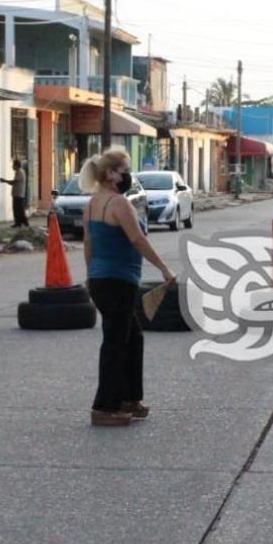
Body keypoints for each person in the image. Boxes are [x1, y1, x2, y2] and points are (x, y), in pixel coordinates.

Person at [81, 148, 176, 427]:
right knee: (115, 343)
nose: (128, 176)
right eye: (124, 170)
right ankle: (105, 407)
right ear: (111, 175)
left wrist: (90, 275)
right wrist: (163, 268)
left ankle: (129, 398)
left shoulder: (93, 203)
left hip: (103, 280)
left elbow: (89, 243)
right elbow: (138, 240)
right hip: (117, 281)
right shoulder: (119, 203)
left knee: (132, 338)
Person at [0, 159, 28, 228]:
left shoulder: (19, 172)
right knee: (18, 209)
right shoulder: (19, 172)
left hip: (18, 193)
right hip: (17, 193)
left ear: (16, 165)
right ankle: (20, 222)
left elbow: (14, 182)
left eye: (13, 165)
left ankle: (21, 222)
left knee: (18, 209)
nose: (12, 167)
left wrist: (4, 181)